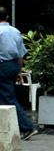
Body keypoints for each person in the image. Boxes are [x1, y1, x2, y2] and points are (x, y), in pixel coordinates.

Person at [0, 7, 37, 140]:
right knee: (6, 96)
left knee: (7, 98)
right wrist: (18, 71)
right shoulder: (15, 31)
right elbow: (21, 55)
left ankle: (27, 126)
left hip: (2, 65)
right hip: (13, 65)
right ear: (7, 17)